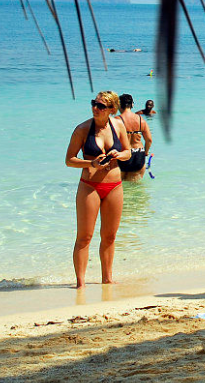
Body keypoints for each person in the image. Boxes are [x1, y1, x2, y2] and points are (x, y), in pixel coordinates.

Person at [66, 91, 132, 288]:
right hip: (90, 187)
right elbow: (69, 160)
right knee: (84, 237)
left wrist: (118, 154)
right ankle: (80, 284)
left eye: (101, 106)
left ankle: (107, 279)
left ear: (111, 109)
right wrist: (91, 163)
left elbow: (128, 153)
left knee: (110, 236)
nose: (95, 108)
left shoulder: (118, 125)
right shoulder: (83, 129)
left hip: (114, 187)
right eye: (94, 104)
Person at [115, 94, 153, 182]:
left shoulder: (116, 120)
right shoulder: (141, 120)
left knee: (119, 187)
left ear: (119, 105)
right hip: (138, 154)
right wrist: (146, 152)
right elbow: (149, 140)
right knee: (135, 187)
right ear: (132, 105)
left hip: (123, 154)